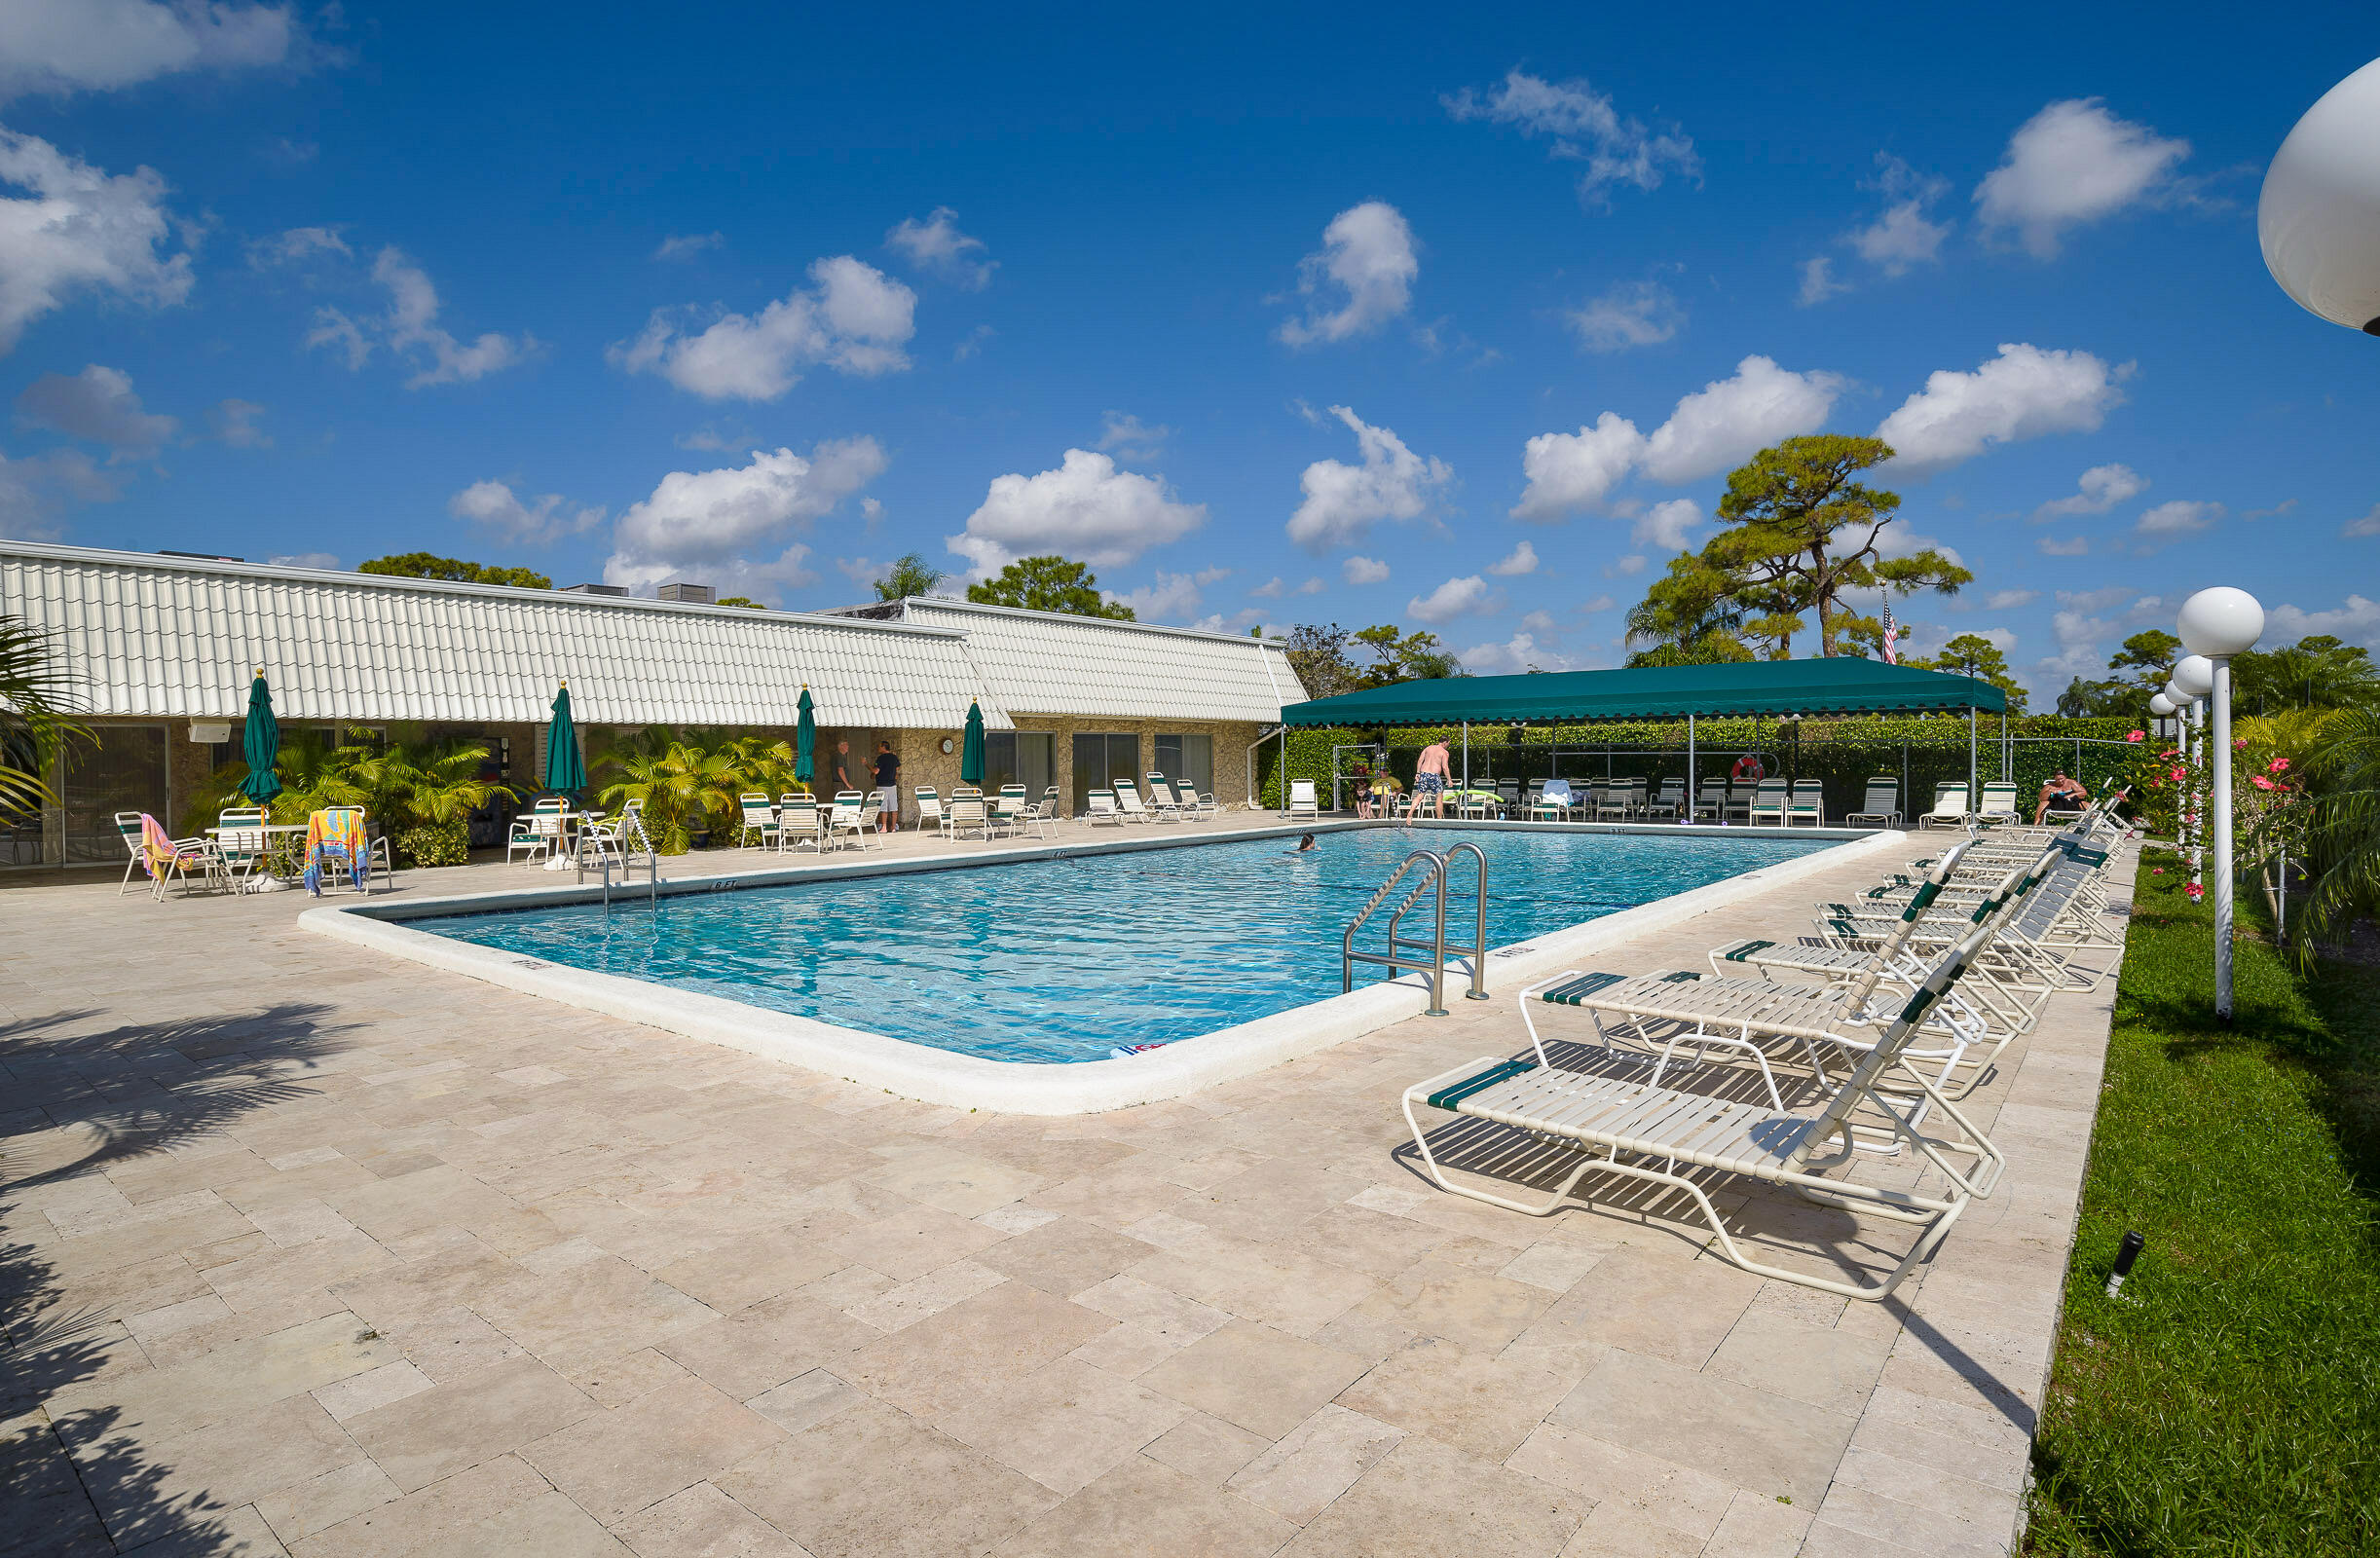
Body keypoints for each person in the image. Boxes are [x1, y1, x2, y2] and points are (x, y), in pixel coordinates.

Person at [1414, 737, 1451, 819]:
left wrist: (1418, 773)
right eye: (1449, 743)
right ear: (1445, 742)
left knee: (1420, 795)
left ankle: (1410, 814)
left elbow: (1420, 760)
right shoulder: (1444, 752)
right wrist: (1449, 780)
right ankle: (1439, 818)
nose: (1449, 745)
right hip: (1434, 775)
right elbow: (1445, 767)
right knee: (1439, 796)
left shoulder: (1428, 748)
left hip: (1423, 774)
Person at [872, 740, 902, 833]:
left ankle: (884, 827)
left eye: (879, 746)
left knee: (883, 806)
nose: (878, 748)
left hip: (882, 785)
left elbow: (876, 771)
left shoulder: (880, 758)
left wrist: (866, 764)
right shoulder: (894, 757)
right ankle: (893, 827)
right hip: (892, 785)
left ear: (883, 747)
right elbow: (897, 769)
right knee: (894, 806)